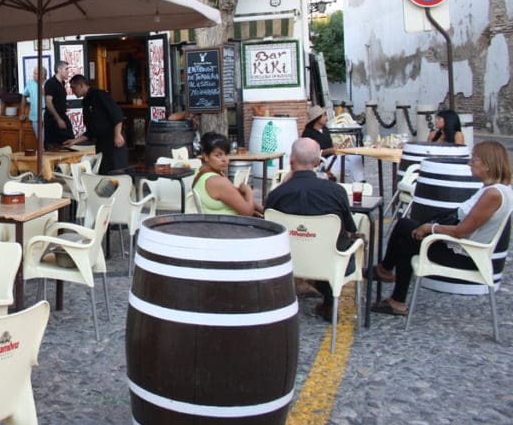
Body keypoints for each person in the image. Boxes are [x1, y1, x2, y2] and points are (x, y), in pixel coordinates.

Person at [373, 140, 513, 316]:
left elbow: (461, 232)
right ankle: (390, 284)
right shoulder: (498, 189)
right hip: (463, 249)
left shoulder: (493, 194)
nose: (470, 163)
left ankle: (388, 278)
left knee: (407, 236)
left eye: (474, 159)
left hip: (466, 255)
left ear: (488, 165)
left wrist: (430, 228)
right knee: (405, 229)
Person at [265, 138, 360, 321]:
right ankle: (329, 303)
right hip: (329, 263)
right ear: (317, 162)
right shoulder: (336, 191)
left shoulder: (277, 195)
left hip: (287, 261)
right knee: (343, 241)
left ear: (291, 160)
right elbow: (349, 228)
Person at [62, 74, 127, 174]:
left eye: (73, 87)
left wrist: (118, 134)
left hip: (113, 139)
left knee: (116, 171)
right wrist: (74, 141)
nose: (72, 91)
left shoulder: (100, 95)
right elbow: (92, 131)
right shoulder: (85, 101)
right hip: (101, 142)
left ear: (81, 85)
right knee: (103, 172)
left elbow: (117, 114)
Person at [192, 132, 261, 216]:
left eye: (227, 154)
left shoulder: (200, 171)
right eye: (218, 155)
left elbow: (236, 197)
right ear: (206, 156)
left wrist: (264, 210)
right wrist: (249, 191)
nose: (225, 159)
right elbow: (248, 213)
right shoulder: (218, 181)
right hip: (230, 227)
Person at [44, 61, 74, 148]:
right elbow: (48, 102)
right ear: (59, 69)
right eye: (66, 69)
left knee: (69, 140)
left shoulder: (62, 83)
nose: (68, 71)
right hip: (53, 118)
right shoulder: (50, 83)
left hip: (62, 115)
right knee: (54, 145)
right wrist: (58, 119)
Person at [20, 66, 45, 141]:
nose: (33, 75)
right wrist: (22, 112)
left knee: (47, 140)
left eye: (36, 74)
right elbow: (24, 96)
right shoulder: (30, 83)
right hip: (35, 116)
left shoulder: (47, 83)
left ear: (42, 75)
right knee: (40, 140)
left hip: (47, 116)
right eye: (33, 73)